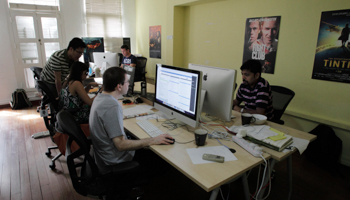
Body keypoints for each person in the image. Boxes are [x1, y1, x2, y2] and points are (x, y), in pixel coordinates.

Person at [89, 67, 173, 176]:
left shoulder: (99, 98)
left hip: (104, 155)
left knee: (141, 141)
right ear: (119, 86)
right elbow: (120, 145)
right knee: (159, 157)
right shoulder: (111, 106)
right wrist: (152, 140)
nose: (129, 84)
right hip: (114, 161)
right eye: (127, 82)